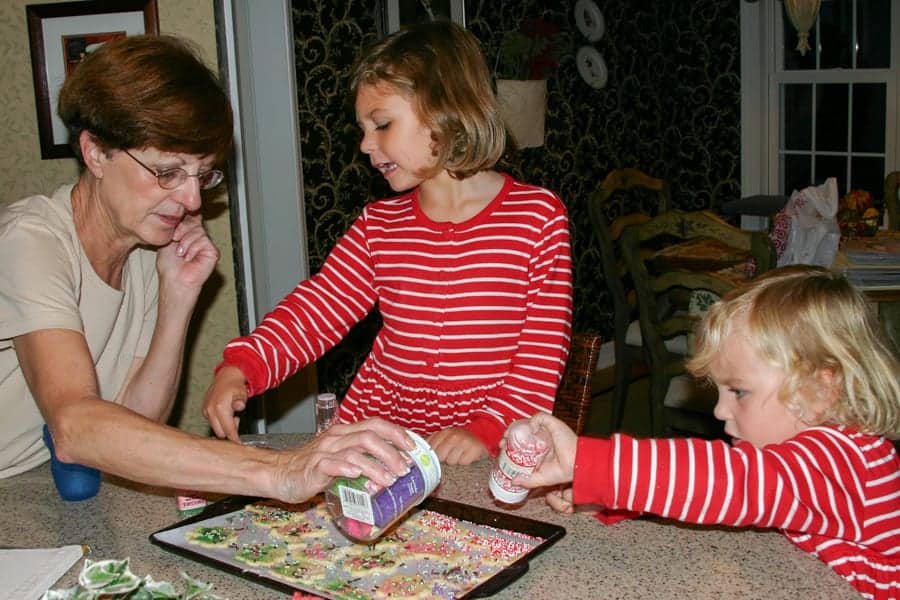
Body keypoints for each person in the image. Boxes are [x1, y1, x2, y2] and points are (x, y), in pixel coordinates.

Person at [0, 34, 413, 502]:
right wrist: (279, 470)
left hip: (45, 496)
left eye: (203, 175)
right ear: (95, 152)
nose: (192, 201)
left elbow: (136, 421)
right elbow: (76, 427)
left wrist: (177, 297)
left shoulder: (144, 245)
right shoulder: (30, 241)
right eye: (168, 173)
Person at [203, 20, 573, 466]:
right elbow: (317, 309)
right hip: (381, 442)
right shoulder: (380, 225)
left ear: (447, 109)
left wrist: (489, 430)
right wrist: (243, 366)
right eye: (362, 128)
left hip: (492, 445)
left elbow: (541, 352)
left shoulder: (536, 217)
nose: (364, 144)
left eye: (381, 124)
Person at [513, 265, 900, 599]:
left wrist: (591, 463)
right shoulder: (810, 463)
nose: (719, 410)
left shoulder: (847, 461)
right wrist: (610, 498)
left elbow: (737, 483)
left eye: (739, 391)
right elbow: (714, 494)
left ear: (821, 390)